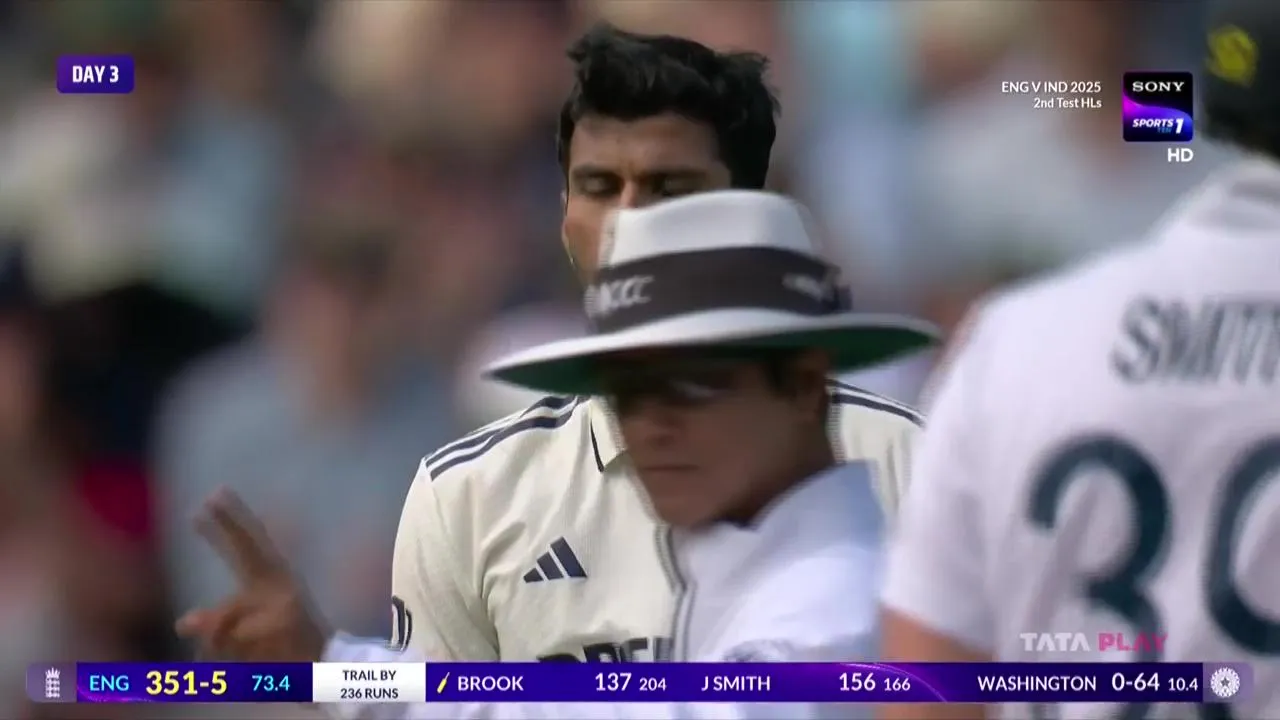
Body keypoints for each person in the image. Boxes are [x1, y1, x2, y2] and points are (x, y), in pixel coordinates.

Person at [231, 22, 921, 665]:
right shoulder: (470, 494)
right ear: (562, 218)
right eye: (597, 187)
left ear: (749, 206)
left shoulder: (906, 461)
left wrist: (340, 670)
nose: (628, 220)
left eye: (670, 187)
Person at [178, 190, 939, 720]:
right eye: (626, 392)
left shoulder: (843, 607)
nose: (651, 425)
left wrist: (339, 668)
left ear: (803, 384)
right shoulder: (747, 571)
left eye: (692, 383)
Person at [879, 1, 1280, 717]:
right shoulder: (983, 134)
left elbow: (1172, 144)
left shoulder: (1168, 107)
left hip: (1087, 394)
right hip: (1054, 431)